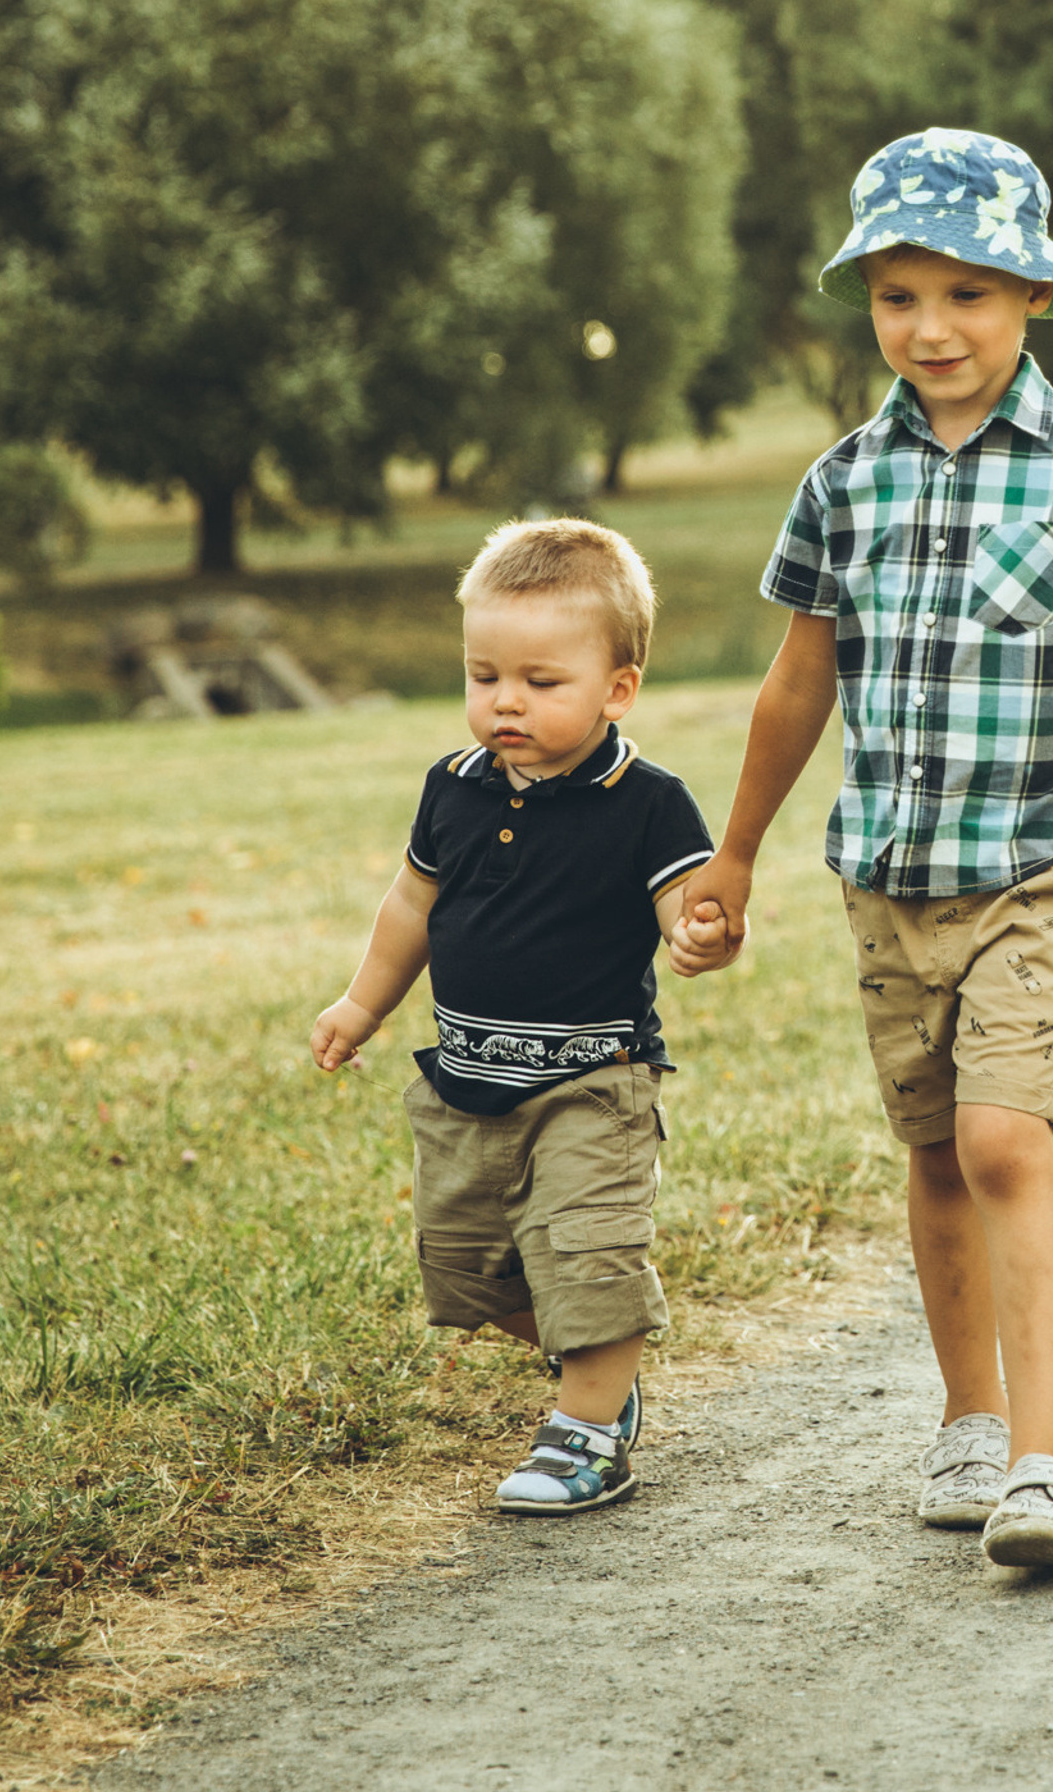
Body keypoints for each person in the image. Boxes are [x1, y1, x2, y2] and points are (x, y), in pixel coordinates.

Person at [678, 128, 1053, 1575]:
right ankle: (970, 1421)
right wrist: (732, 855)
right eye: (898, 297)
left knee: (1001, 1138)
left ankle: (1049, 1467)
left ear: (1034, 299)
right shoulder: (844, 479)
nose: (931, 329)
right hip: (887, 868)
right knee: (931, 1152)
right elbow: (799, 682)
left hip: (1044, 857)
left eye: (968, 295)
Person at [309, 520, 732, 1516]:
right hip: (464, 1087)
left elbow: (686, 905)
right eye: (484, 674)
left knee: (586, 1257)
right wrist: (363, 1002)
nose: (505, 701)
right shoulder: (451, 789)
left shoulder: (649, 804)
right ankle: (602, 1362)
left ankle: (587, 1428)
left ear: (617, 687)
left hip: (594, 1082)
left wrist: (698, 933)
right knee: (467, 1274)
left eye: (541, 681)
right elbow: (412, 905)